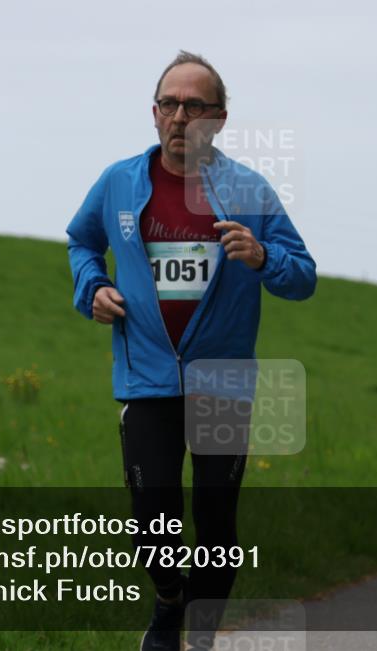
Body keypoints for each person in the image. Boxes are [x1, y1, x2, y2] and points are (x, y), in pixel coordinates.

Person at [66, 51, 316, 651]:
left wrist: (263, 257)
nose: (181, 115)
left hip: (223, 381)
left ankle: (200, 635)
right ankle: (170, 599)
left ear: (220, 118)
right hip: (146, 377)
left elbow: (302, 277)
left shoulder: (248, 190)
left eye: (195, 105)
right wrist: (93, 288)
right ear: (154, 114)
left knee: (215, 518)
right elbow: (81, 242)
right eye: (170, 104)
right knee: (152, 522)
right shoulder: (118, 182)